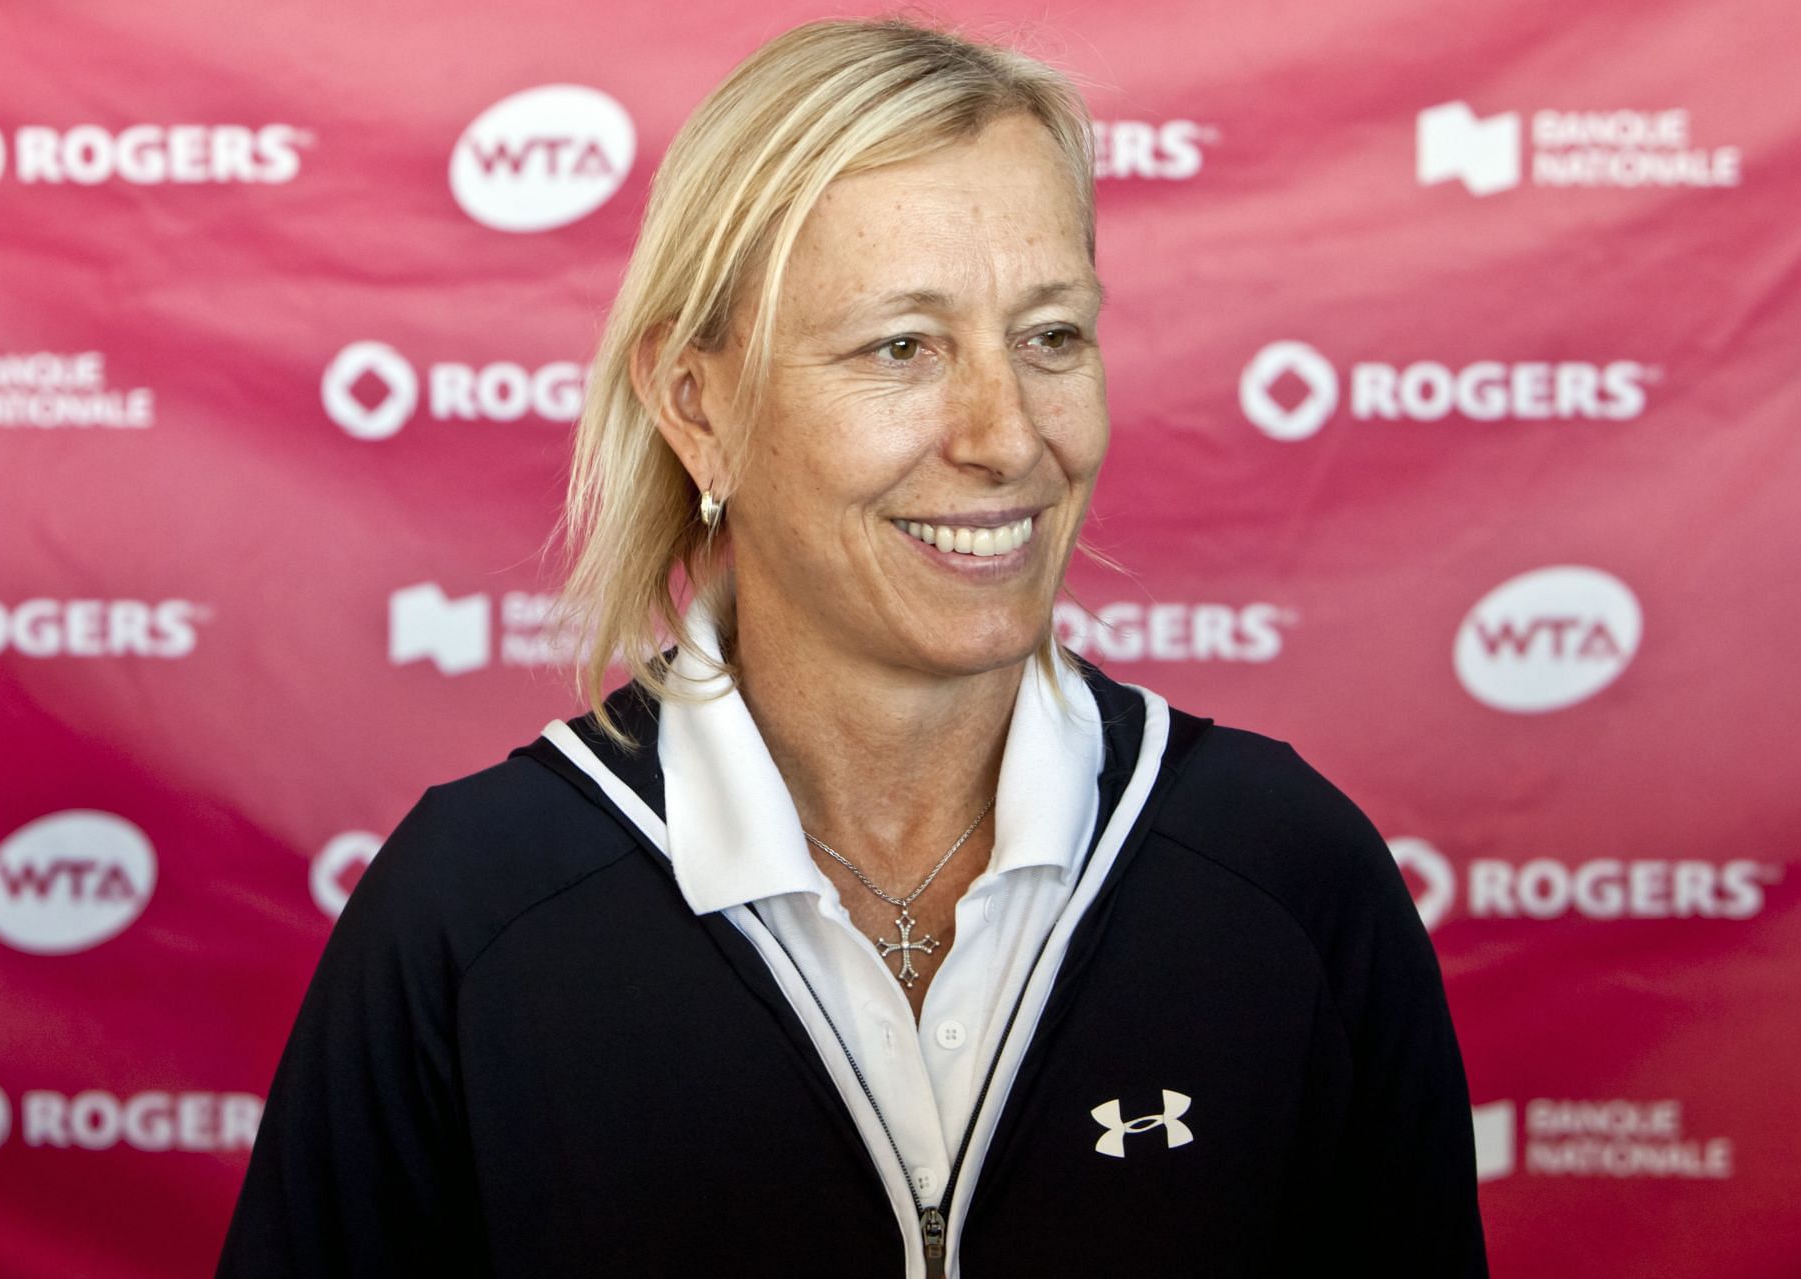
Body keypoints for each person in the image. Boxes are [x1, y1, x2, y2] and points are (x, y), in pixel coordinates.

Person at [215, 16, 1487, 1278]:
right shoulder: (474, 910)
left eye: (1050, 335)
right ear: (697, 406)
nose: (1005, 436)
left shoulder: (1290, 876)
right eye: (902, 347)